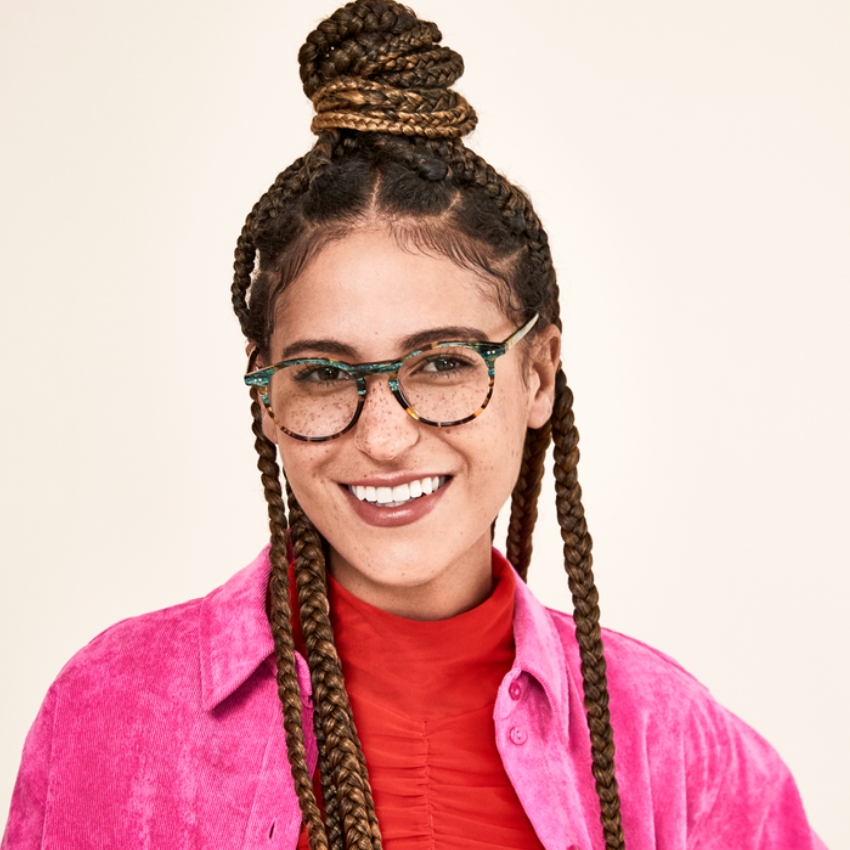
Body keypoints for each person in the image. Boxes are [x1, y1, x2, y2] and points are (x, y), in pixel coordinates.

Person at [1, 1, 828, 848]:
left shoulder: (684, 749)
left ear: (537, 374)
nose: (386, 438)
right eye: (324, 373)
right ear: (265, 395)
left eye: (441, 363)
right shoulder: (111, 712)